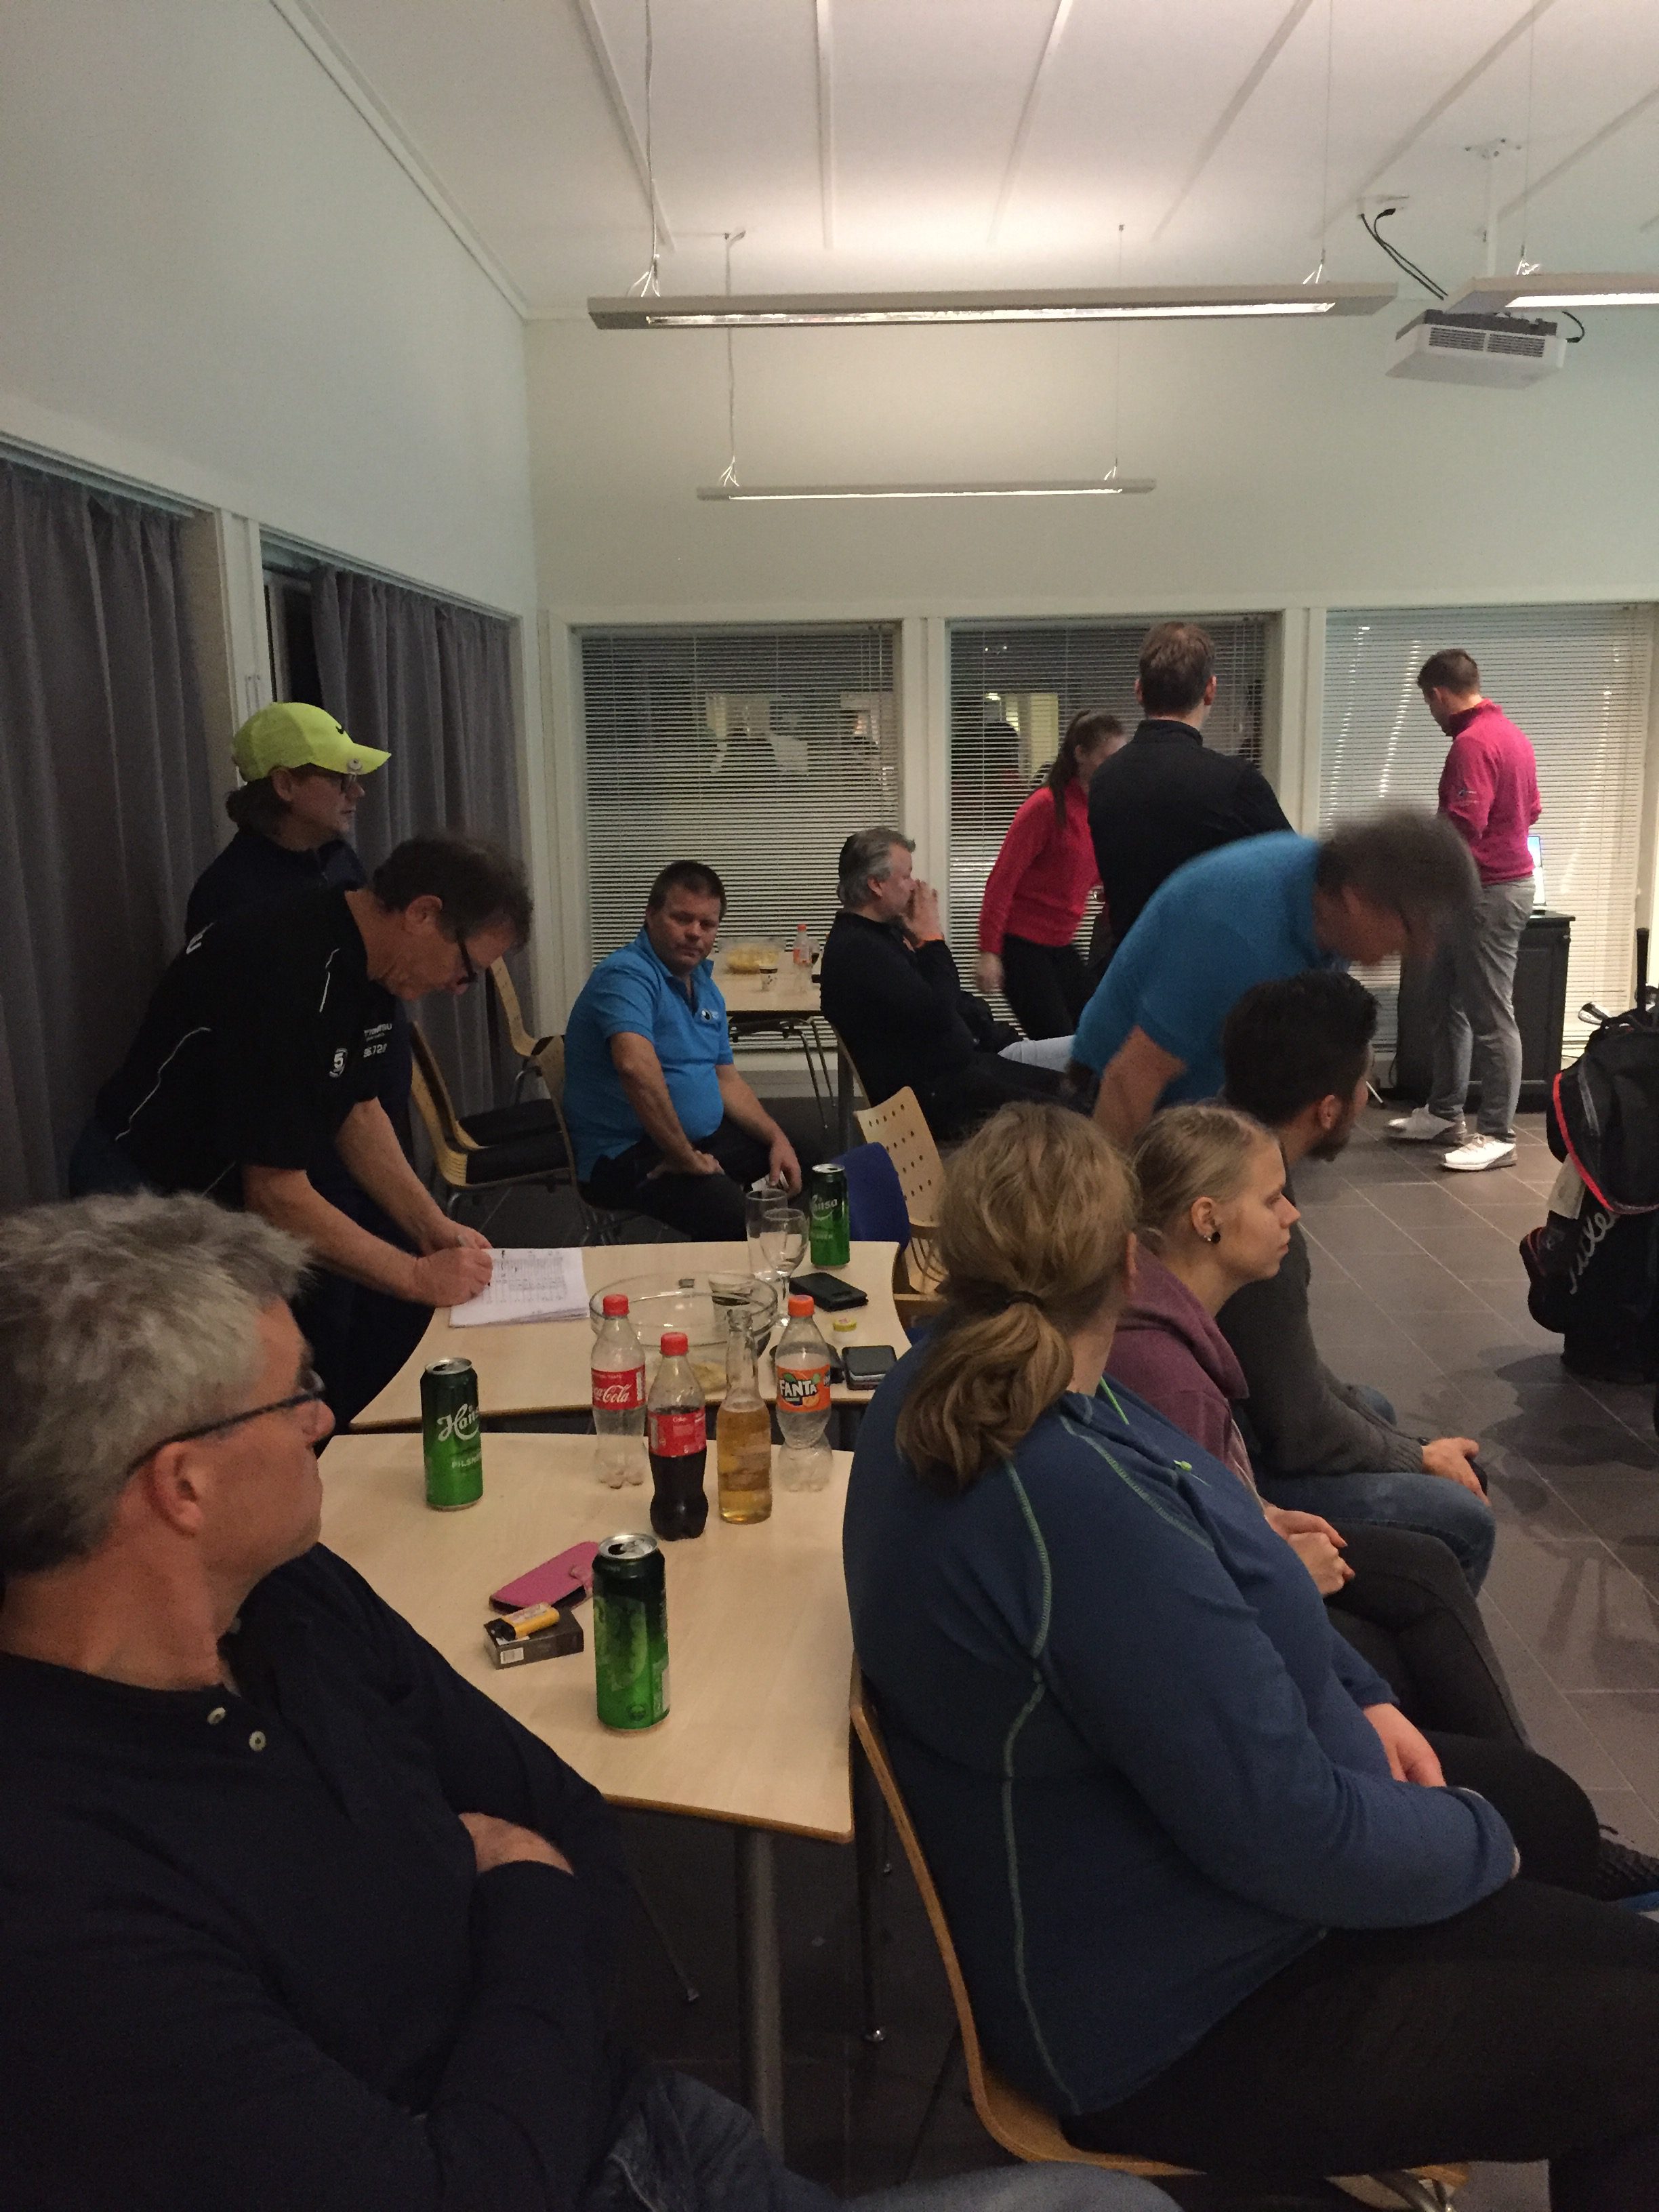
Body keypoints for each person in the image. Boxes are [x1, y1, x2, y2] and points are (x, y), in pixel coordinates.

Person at [0, 1193, 1176, 2212]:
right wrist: (521, 1894)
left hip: (657, 2130)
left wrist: (516, 1960)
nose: (324, 1415)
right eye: (295, 1394)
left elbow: (571, 1822)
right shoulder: (64, 1899)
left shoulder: (292, 1602)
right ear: (184, 1483)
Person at [843, 1105, 1659, 2206]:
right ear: (1127, 1264)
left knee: (1546, 1812)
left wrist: (1359, 1693)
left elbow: (1230, 1536)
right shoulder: (1068, 1504)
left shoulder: (976, 1383)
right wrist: (1473, 1844)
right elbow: (1292, 1834)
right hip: (1180, 2014)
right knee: (1631, 2014)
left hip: (1191, 1898)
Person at [1113, 1101, 1659, 1900]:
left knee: (1424, 1568)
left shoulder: (1173, 1321)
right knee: (1434, 1559)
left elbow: (1224, 1487)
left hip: (1254, 1545)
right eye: (1270, 1199)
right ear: (1207, 1220)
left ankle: (1512, 1806)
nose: (1292, 1213)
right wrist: (1277, 1554)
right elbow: (1194, 1561)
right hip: (1241, 1612)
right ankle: (1523, 1822)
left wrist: (1263, 1520)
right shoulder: (1169, 1373)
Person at [69, 834, 527, 1426]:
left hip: (220, 1195)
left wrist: (433, 1228)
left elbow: (359, 1111)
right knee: (190, 1409)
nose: (459, 989)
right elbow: (277, 1194)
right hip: (143, 1194)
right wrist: (417, 1276)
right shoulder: (285, 965)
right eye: (466, 969)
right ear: (422, 914)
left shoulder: (374, 966)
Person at [1218, 970, 1500, 1591]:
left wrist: (1407, 1448)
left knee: (1373, 1406)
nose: (1367, 1100)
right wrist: (1419, 1457)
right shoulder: (1254, 1223)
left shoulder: (1220, 1134)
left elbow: (1285, 1368)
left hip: (1236, 1422)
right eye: (1363, 1087)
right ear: (1327, 1110)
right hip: (1230, 1466)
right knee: (1464, 1517)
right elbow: (1297, 1428)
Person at [1073, 812, 1477, 1148]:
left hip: (1203, 1100)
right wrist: (1116, 1209)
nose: (1421, 953)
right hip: (1121, 1102)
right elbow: (1130, 1081)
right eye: (1411, 932)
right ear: (1359, 899)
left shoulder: (1329, 904)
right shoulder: (1237, 930)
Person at [564, 861, 803, 1240]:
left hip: (695, 1141)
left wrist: (776, 1137)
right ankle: (741, 1268)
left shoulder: (704, 984)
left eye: (707, 924)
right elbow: (634, 1068)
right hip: (627, 1153)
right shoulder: (626, 975)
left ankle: (781, 1263)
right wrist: (683, 1156)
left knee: (804, 1159)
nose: (695, 933)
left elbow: (726, 1080)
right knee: (734, 1216)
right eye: (682, 919)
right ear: (650, 915)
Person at [1390, 649, 1542, 1173]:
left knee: (1491, 1016)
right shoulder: (1512, 736)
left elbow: (1464, 825)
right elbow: (1532, 809)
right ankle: (1444, 1112)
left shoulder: (1472, 743)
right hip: (1482, 890)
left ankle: (1498, 1134)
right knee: (1444, 1001)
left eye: (1428, 703)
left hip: (1490, 893)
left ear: (1438, 695)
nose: (1431, 713)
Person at [819, 828, 1063, 1139]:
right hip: (933, 1098)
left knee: (1069, 1088)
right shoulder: (858, 949)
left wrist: (922, 943)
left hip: (959, 1072)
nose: (914, 885)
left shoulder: (881, 934)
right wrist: (932, 939)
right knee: (1067, 1114)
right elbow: (938, 1011)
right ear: (876, 884)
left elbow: (942, 998)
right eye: (906, 876)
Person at [1086, 621, 1290, 949]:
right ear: (1211, 689)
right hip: (1208, 969)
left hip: (1129, 963)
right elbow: (1296, 877)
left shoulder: (1103, 780)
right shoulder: (1235, 782)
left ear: (1139, 691)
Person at [975, 711, 1124, 1040]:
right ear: (1080, 754)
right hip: (1022, 945)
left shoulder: (1099, 809)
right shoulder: (1045, 806)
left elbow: (1090, 873)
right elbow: (1002, 881)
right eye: (1107, 758)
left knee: (1096, 1032)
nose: (1115, 767)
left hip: (1060, 942)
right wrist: (989, 951)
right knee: (1058, 1044)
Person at [185, 701, 388, 932]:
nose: (357, 792)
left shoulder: (339, 859)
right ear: (284, 785)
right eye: (340, 778)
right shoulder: (231, 896)